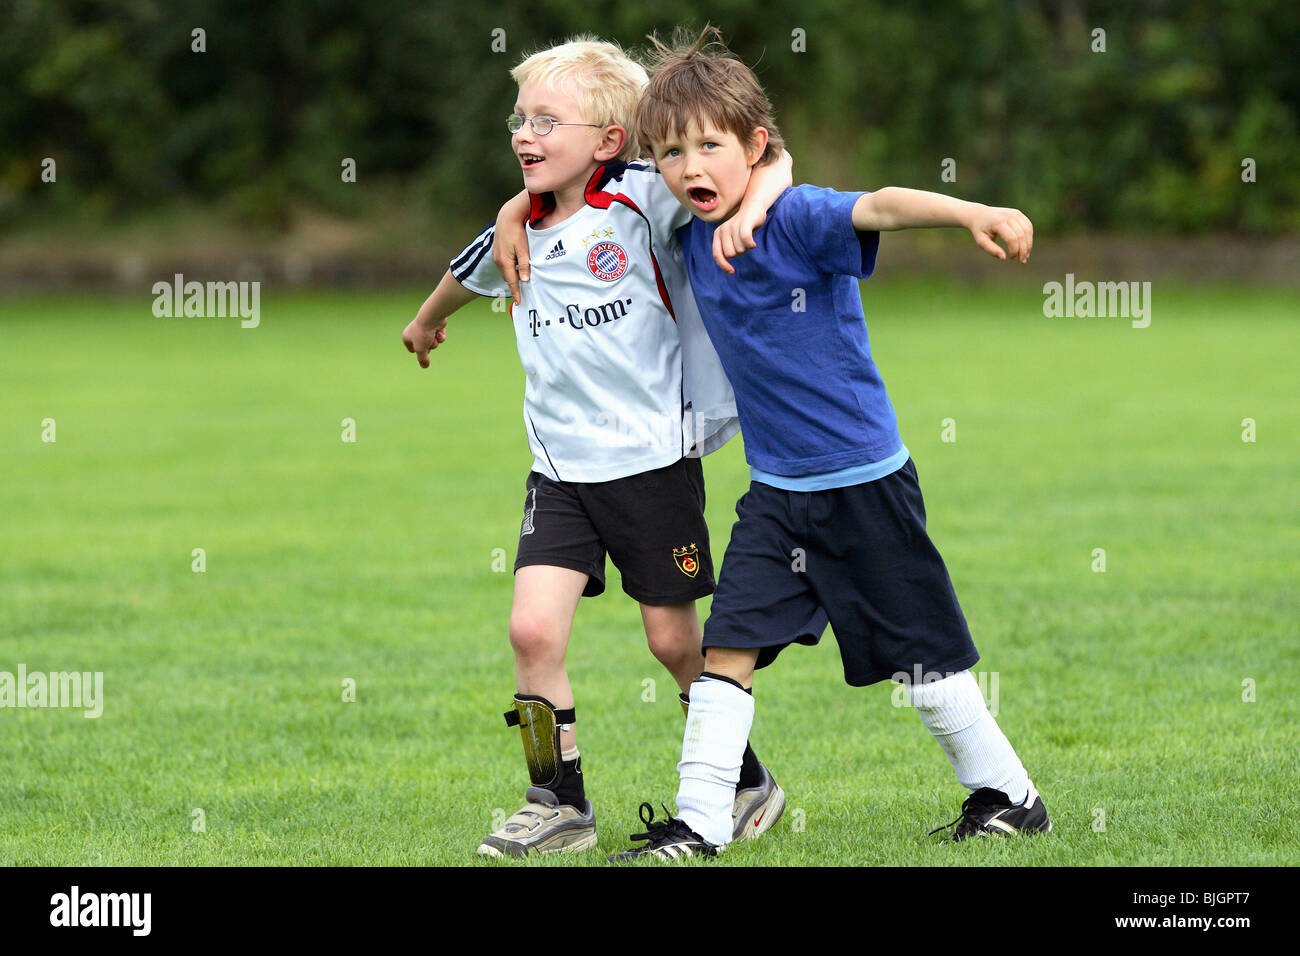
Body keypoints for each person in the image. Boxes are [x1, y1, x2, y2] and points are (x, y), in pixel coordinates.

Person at [606, 26, 1051, 860]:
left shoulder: (800, 217)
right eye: (670, 153)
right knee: (726, 648)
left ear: (756, 145)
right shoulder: (690, 228)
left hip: (864, 487)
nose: (690, 167)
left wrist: (973, 212)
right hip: (777, 499)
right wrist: (517, 207)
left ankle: (1009, 796)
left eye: (710, 146)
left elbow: (877, 204)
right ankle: (699, 827)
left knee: (923, 667)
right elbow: (583, 184)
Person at [401, 35, 792, 858]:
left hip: (652, 463)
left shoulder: (647, 199)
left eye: (548, 120)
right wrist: (428, 320)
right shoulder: (520, 224)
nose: (523, 134)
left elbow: (767, 165)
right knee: (533, 632)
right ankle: (558, 803)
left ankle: (744, 780)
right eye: (519, 118)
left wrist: (756, 205)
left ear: (608, 142)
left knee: (673, 642)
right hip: (559, 471)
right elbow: (466, 272)